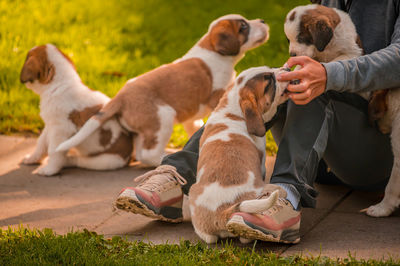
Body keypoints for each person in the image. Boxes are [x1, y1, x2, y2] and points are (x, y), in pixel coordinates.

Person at [115, 0, 400, 243]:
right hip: (327, 156)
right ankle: (176, 178)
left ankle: (282, 201)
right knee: (260, 88)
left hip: (379, 150)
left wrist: (328, 75)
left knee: (309, 87)